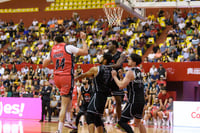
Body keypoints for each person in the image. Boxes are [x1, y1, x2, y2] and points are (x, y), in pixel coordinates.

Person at [43, 32, 88, 133]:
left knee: (68, 99)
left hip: (57, 78)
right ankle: (59, 129)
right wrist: (83, 39)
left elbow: (44, 64)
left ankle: (68, 120)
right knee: (64, 104)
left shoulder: (52, 50)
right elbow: (85, 52)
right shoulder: (68, 47)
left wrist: (52, 59)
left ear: (55, 42)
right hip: (66, 77)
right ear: (63, 40)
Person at [75, 53, 125, 133]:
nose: (100, 58)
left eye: (101, 57)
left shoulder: (96, 69)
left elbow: (84, 75)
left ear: (104, 60)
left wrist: (75, 78)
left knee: (90, 117)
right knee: (97, 119)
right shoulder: (112, 71)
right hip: (104, 97)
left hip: (97, 95)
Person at [111, 53, 146, 133]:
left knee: (121, 122)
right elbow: (131, 84)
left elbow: (121, 86)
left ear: (134, 62)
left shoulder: (130, 72)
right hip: (141, 101)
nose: (128, 60)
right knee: (138, 122)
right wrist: (121, 77)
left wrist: (114, 76)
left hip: (133, 101)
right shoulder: (140, 72)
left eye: (129, 59)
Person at [108, 40, 124, 121]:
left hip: (116, 79)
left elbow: (118, 65)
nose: (108, 46)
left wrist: (106, 66)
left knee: (118, 101)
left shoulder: (121, 55)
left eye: (109, 44)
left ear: (114, 45)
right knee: (102, 100)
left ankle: (120, 121)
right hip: (107, 79)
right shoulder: (107, 54)